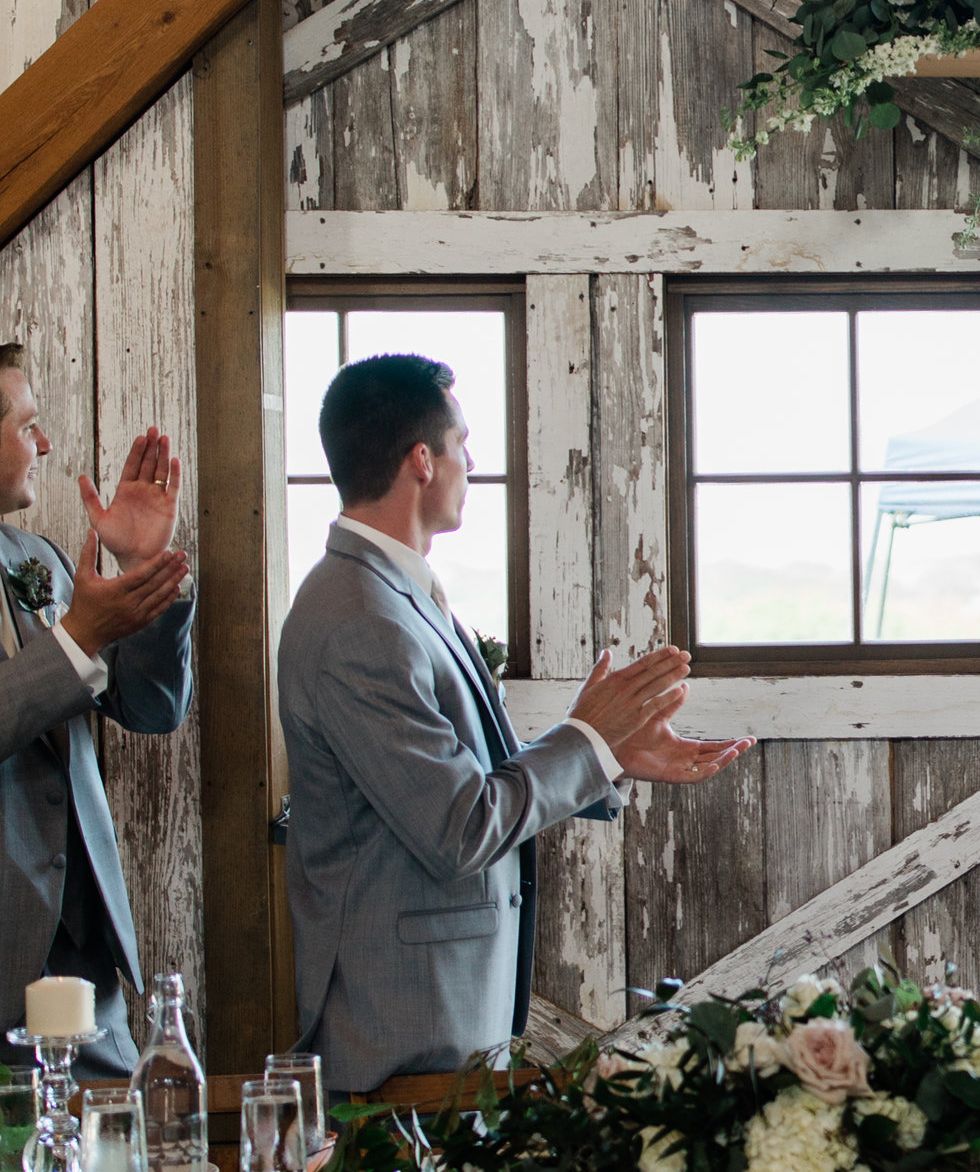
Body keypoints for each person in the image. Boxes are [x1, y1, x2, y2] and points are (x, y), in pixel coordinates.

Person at [279, 351, 751, 1093]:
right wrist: (586, 739)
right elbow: (458, 826)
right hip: (402, 1034)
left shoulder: (393, 595)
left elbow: (456, 785)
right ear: (421, 461)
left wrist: (609, 754)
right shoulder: (358, 619)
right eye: (462, 441)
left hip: (445, 1019)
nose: (472, 459)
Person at [0, 343, 193, 1077]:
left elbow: (151, 709)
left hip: (88, 981)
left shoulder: (39, 558)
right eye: (27, 426)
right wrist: (79, 634)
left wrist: (144, 575)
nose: (45, 443)